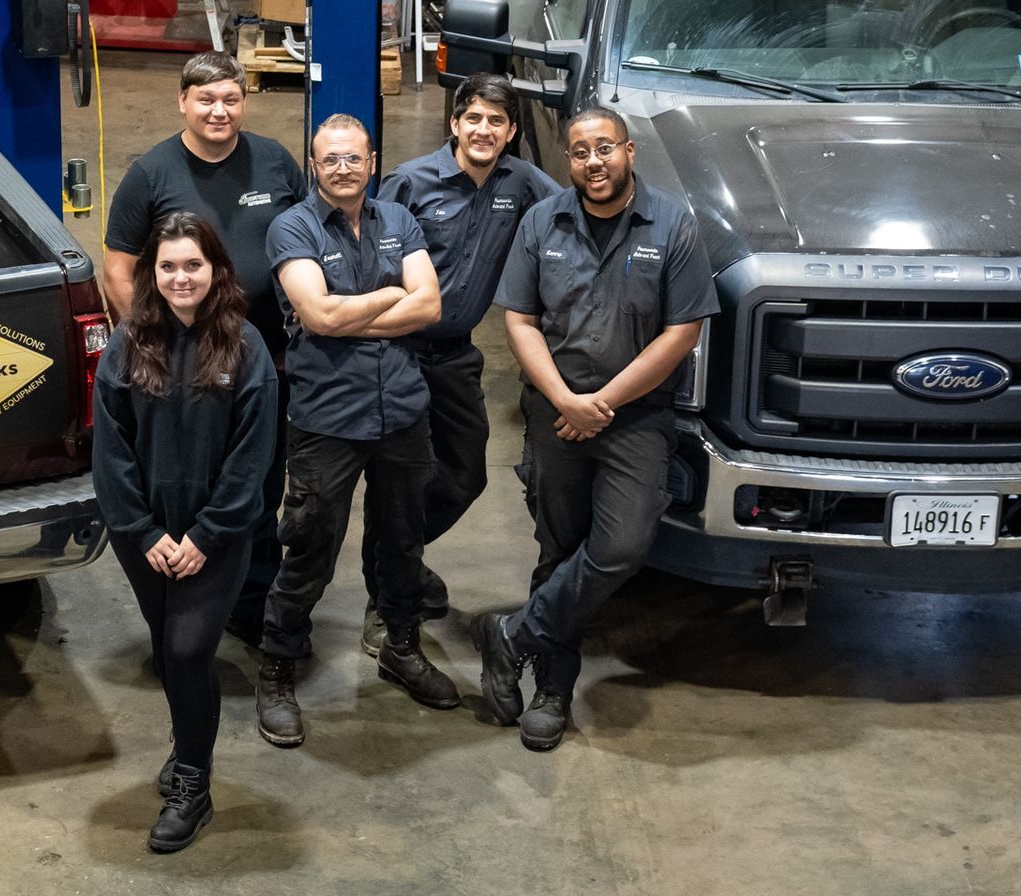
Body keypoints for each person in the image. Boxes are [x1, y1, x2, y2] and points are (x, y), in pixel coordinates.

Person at [470, 105, 720, 751]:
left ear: (629, 151)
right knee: (559, 547)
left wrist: (602, 402)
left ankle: (515, 636)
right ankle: (552, 692)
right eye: (579, 152)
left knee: (621, 547)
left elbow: (683, 330)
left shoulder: (672, 224)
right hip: (555, 412)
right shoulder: (541, 221)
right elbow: (520, 320)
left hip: (635, 416)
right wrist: (563, 398)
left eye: (604, 148)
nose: (592, 162)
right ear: (570, 161)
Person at [254, 114, 457, 747]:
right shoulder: (293, 227)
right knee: (310, 548)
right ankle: (278, 668)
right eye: (329, 159)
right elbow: (314, 312)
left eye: (353, 158)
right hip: (327, 421)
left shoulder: (399, 220)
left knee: (402, 544)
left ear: (373, 162)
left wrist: (347, 316)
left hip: (402, 412)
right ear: (314, 167)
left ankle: (400, 647)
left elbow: (431, 305)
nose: (342, 168)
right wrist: (385, 298)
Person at [102, 50, 305, 645]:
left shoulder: (273, 161)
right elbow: (119, 268)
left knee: (262, 481)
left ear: (245, 101)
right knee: (196, 477)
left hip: (266, 361)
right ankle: (190, 589)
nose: (220, 110)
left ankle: (251, 601)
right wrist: (155, 343)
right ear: (183, 102)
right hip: (184, 366)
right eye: (206, 99)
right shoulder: (152, 173)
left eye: (231, 98)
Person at [91, 212, 278, 853]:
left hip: (216, 537)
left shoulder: (247, 348)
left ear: (216, 269)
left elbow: (253, 459)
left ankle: (193, 782)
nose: (180, 278)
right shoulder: (125, 345)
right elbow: (110, 453)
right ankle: (188, 742)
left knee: (191, 650)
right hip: (143, 535)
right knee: (168, 645)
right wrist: (143, 534)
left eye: (192, 264)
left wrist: (206, 534)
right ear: (151, 274)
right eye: (167, 266)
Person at [358, 75, 561, 654]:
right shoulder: (411, 182)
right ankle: (387, 600)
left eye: (496, 122)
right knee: (399, 482)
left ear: (512, 131)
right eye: (473, 118)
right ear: (454, 123)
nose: (483, 130)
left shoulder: (520, 183)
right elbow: (370, 255)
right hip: (395, 353)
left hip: (455, 356)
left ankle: (398, 558)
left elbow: (572, 215)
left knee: (466, 475)